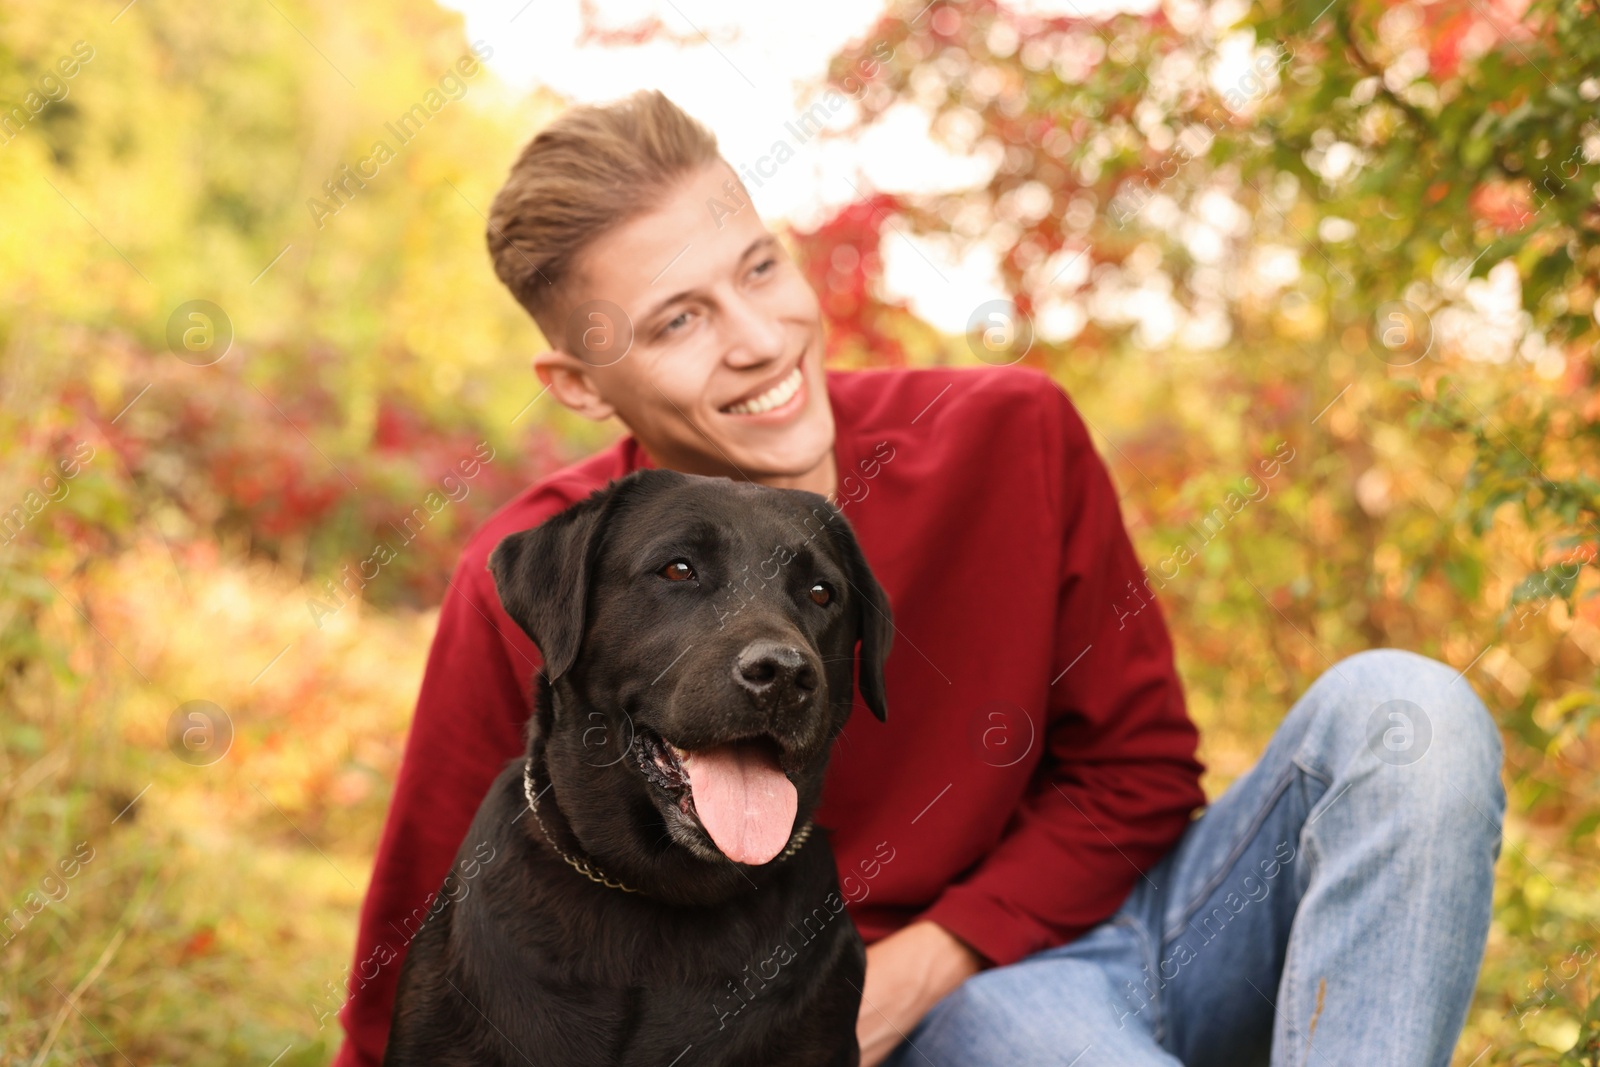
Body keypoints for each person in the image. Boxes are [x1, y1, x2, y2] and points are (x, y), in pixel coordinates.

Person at [332, 89, 1505, 1067]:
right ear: (580, 381)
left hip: (1126, 934)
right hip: (952, 1029)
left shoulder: (1009, 430)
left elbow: (1141, 772)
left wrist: (927, 956)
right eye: (679, 320)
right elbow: (421, 945)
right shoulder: (547, 569)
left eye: (757, 267)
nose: (757, 335)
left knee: (1411, 712)